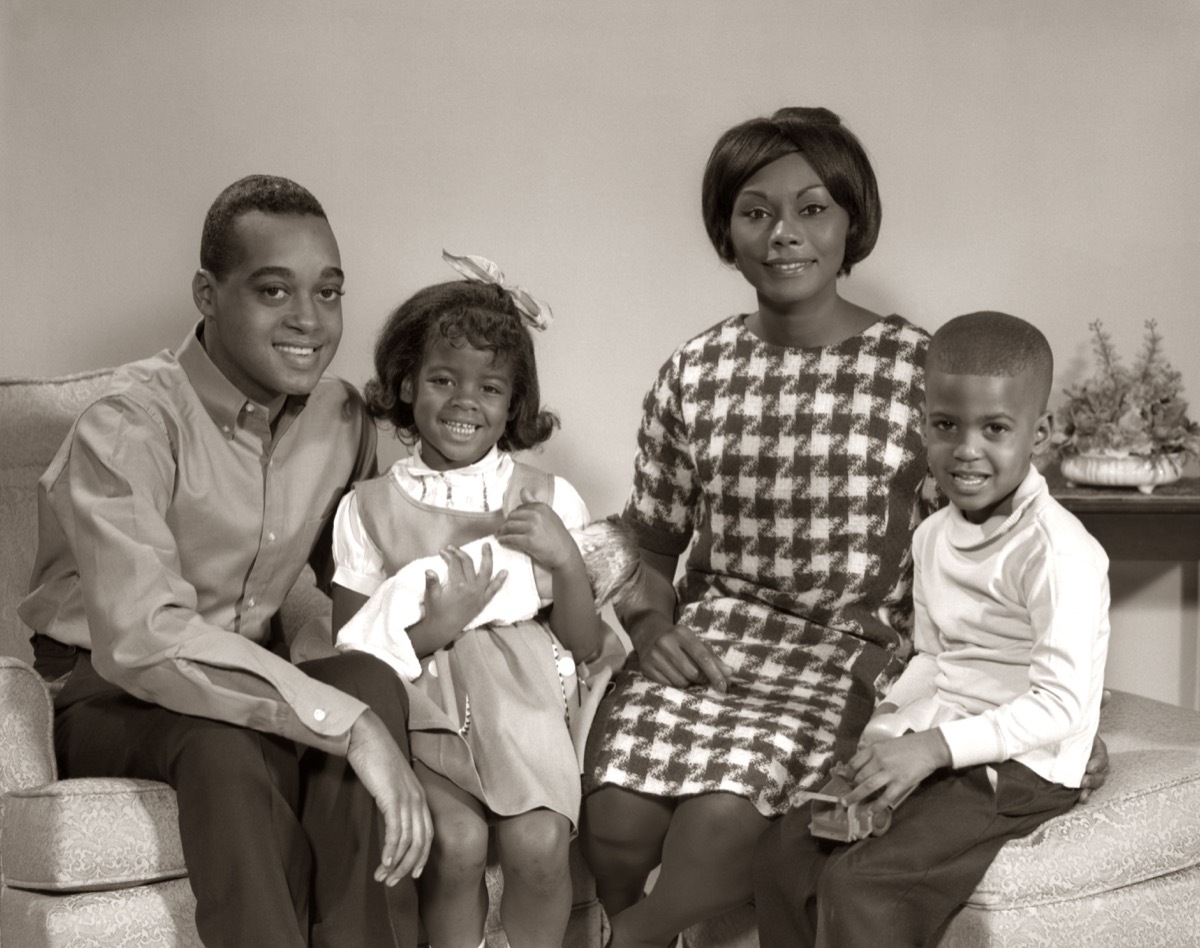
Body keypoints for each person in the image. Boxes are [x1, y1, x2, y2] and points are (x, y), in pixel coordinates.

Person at [580, 108, 1109, 946]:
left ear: (851, 222)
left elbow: (988, 545)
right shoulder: (692, 371)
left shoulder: (921, 372)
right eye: (755, 212)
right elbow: (650, 539)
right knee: (614, 819)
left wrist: (1018, 712)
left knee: (720, 822)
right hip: (713, 641)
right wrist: (648, 626)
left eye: (813, 208)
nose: (784, 233)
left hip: (849, 650)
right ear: (726, 229)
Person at [19, 175, 431, 948]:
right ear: (207, 294)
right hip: (114, 692)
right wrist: (347, 728)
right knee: (226, 744)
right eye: (274, 291)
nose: (309, 319)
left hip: (252, 668)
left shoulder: (342, 420)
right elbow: (145, 639)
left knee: (368, 683)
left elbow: (360, 580)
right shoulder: (128, 425)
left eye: (329, 292)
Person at [753, 311, 1112, 946]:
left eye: (995, 428)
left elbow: (1061, 705)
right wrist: (889, 729)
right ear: (923, 425)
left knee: (861, 884)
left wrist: (931, 750)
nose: (967, 449)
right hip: (944, 734)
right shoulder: (932, 536)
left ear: (1041, 433)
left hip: (1024, 764)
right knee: (786, 851)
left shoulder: (1058, 553)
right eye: (947, 425)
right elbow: (934, 656)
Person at [330, 252, 612, 948]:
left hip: (524, 712)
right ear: (406, 384)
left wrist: (566, 562)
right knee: (454, 842)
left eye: (489, 387)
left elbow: (586, 644)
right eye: (442, 380)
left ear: (513, 404)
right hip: (423, 708)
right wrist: (437, 627)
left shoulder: (549, 498)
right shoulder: (367, 507)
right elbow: (353, 652)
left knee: (540, 844)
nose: (465, 402)